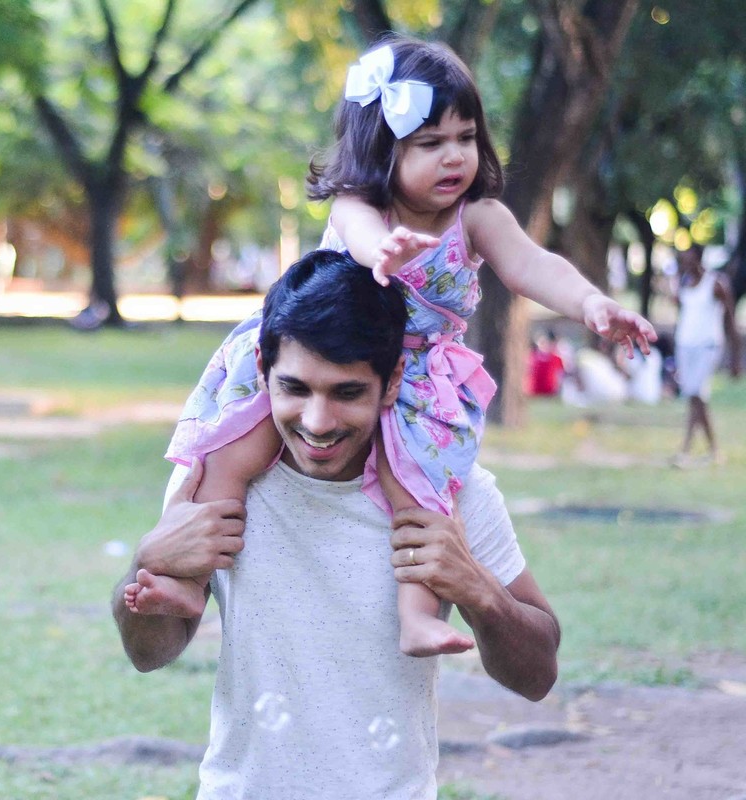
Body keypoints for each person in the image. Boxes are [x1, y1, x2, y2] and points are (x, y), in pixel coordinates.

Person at [126, 35, 652, 657]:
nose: (453, 157)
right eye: (429, 143)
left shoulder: (477, 217)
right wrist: (384, 252)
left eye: (465, 137)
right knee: (231, 453)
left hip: (414, 377)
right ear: (382, 150)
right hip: (320, 349)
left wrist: (591, 303)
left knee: (420, 493)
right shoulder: (361, 204)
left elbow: (531, 266)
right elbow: (362, 232)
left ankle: (417, 616)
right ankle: (184, 580)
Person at [114, 249, 559, 798]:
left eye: (347, 393)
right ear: (261, 370)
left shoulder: (451, 495)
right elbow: (147, 652)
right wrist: (147, 561)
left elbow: (538, 676)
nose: (318, 423)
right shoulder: (212, 483)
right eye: (295, 389)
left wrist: (479, 591)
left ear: (392, 380)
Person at [673, 244, 741, 465]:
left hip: (708, 346)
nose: (685, 263)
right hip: (686, 345)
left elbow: (731, 321)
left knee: (696, 393)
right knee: (695, 397)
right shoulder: (684, 283)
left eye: (688, 259)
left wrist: (735, 358)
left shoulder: (716, 284)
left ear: (698, 259)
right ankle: (714, 450)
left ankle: (686, 448)